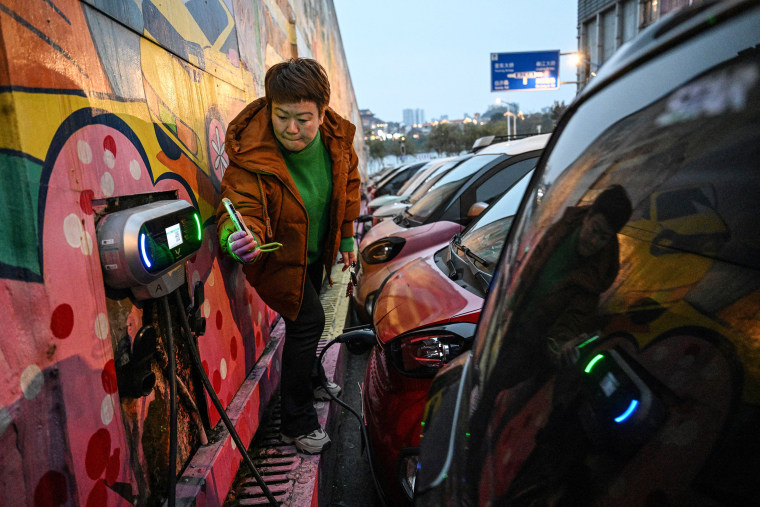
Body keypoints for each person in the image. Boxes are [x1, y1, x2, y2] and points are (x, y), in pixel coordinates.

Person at [216, 58, 360, 454]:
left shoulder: (337, 138)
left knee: (308, 323)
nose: (291, 129)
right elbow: (239, 205)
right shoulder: (252, 152)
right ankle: (295, 422)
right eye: (282, 116)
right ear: (269, 105)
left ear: (322, 112)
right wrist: (239, 238)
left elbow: (349, 185)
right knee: (308, 321)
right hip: (280, 259)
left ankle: (313, 379)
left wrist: (346, 238)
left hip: (317, 251)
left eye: (303, 119)